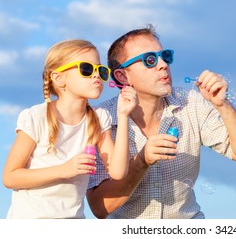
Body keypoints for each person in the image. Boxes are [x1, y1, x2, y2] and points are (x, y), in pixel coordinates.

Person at [86, 24, 236, 219]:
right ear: (122, 76)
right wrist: (141, 161)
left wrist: (222, 104)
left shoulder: (191, 102)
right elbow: (99, 208)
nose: (163, 65)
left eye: (165, 56)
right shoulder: (101, 118)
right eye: (150, 60)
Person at [2, 39, 137, 218]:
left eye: (101, 70)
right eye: (87, 69)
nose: (96, 75)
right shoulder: (36, 117)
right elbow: (10, 177)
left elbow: (118, 172)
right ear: (59, 78)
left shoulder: (99, 118)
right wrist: (63, 170)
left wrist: (123, 115)